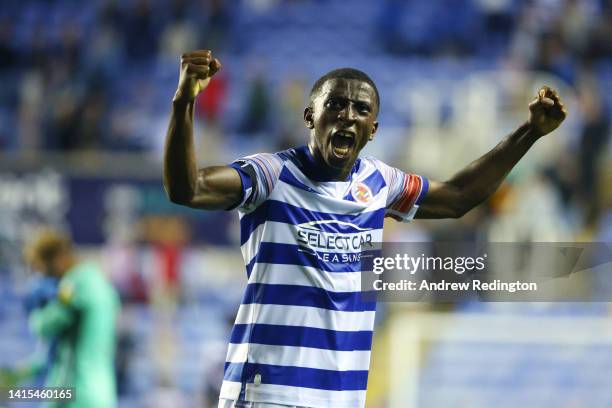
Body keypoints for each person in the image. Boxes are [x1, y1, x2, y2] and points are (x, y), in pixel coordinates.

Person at [163, 50, 567, 408]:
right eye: (335, 104)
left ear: (373, 129)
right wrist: (184, 101)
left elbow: (459, 196)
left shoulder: (381, 183)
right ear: (310, 117)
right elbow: (188, 189)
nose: (347, 116)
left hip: (341, 397)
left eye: (360, 109)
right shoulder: (272, 174)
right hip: (267, 391)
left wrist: (529, 132)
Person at [21, 229, 120, 408]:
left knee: (11, 396)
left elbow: (43, 326)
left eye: (43, 269)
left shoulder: (73, 284)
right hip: (103, 394)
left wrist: (35, 313)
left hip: (75, 392)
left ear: (58, 259)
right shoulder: (102, 283)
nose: (43, 277)